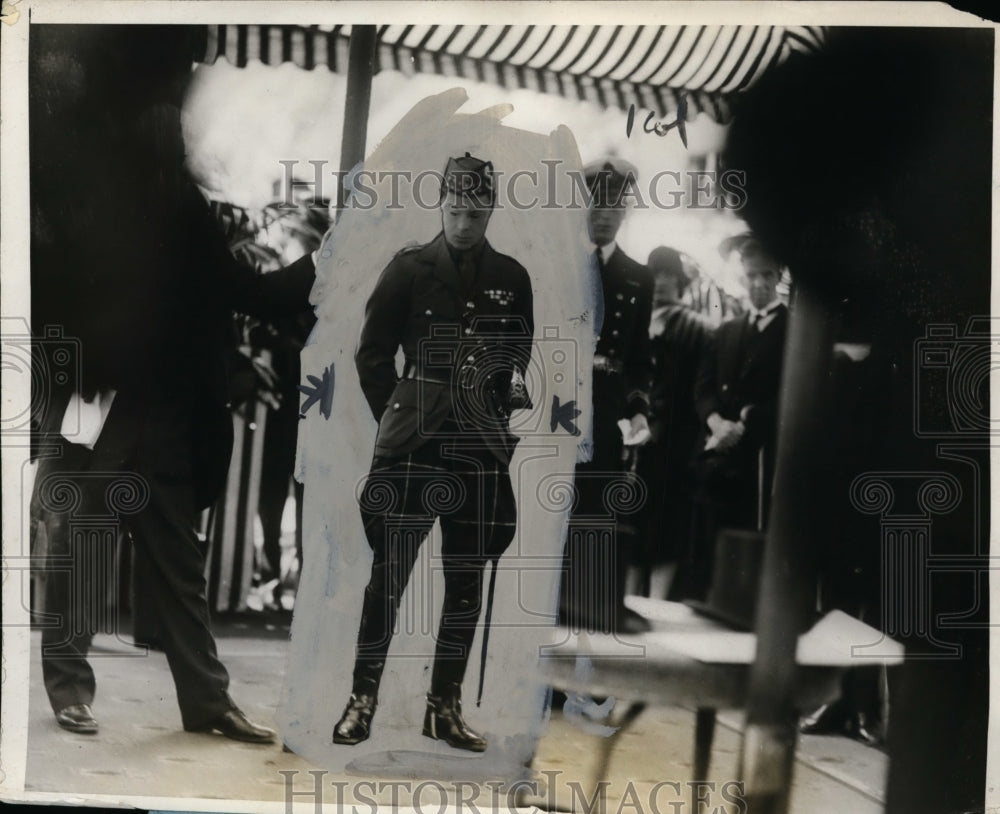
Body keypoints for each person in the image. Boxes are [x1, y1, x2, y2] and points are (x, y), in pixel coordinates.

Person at [332, 153, 534, 752]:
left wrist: (506, 385)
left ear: (490, 209)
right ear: (440, 204)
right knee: (389, 574)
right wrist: (400, 413)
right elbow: (372, 355)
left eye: (474, 211)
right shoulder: (409, 269)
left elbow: (516, 352)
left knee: (466, 579)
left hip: (478, 447)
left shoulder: (513, 277)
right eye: (453, 210)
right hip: (416, 445)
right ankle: (361, 699)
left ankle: (442, 708)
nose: (463, 222)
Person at [556, 158, 654, 635]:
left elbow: (639, 357)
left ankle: (587, 638)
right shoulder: (559, 266)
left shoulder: (639, 275)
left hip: (608, 411)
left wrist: (638, 411)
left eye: (615, 205)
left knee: (596, 519)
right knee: (556, 517)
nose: (604, 214)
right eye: (597, 203)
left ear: (626, 211)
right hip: (561, 410)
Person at [680, 235, 787, 600]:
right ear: (742, 275)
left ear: (779, 276)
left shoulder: (792, 332)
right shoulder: (726, 330)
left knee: (748, 538)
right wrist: (715, 423)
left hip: (760, 457)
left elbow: (791, 394)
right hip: (715, 451)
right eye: (752, 275)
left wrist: (746, 422)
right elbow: (703, 388)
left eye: (766, 275)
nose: (758, 283)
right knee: (705, 535)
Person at [633, 247, 713, 599]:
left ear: (679, 282)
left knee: (666, 524)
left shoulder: (698, 328)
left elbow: (701, 390)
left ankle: (658, 600)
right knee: (633, 524)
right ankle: (629, 596)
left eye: (669, 276)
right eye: (656, 275)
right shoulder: (635, 320)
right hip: (633, 439)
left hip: (675, 443)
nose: (662, 283)